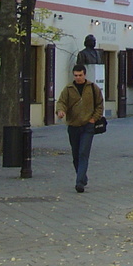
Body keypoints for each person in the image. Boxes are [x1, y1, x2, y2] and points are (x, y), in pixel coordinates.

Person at [56, 64, 104, 193]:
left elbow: (99, 104)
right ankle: (82, 176)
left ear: (84, 74)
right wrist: (60, 111)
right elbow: (61, 102)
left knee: (83, 152)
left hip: (88, 126)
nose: (78, 78)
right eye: (76, 75)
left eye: (80, 75)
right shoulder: (68, 89)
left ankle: (79, 183)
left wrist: (93, 119)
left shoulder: (93, 88)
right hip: (73, 126)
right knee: (76, 154)